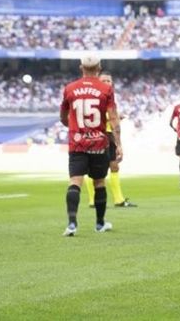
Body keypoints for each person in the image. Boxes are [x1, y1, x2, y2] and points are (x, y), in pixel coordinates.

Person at [60, 55, 121, 236]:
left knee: (75, 182)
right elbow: (113, 118)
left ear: (81, 68)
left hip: (77, 143)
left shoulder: (70, 88)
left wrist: (73, 127)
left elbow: (63, 116)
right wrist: (118, 143)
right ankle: (100, 224)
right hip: (99, 143)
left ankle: (72, 224)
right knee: (99, 182)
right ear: (99, 68)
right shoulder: (106, 89)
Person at [85, 72, 136, 208]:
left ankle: (119, 200)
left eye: (109, 81)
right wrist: (114, 117)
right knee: (93, 169)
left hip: (109, 135)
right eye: (104, 80)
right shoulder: (93, 97)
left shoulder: (111, 98)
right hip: (96, 135)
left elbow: (113, 121)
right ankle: (92, 200)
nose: (107, 83)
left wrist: (119, 144)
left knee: (114, 166)